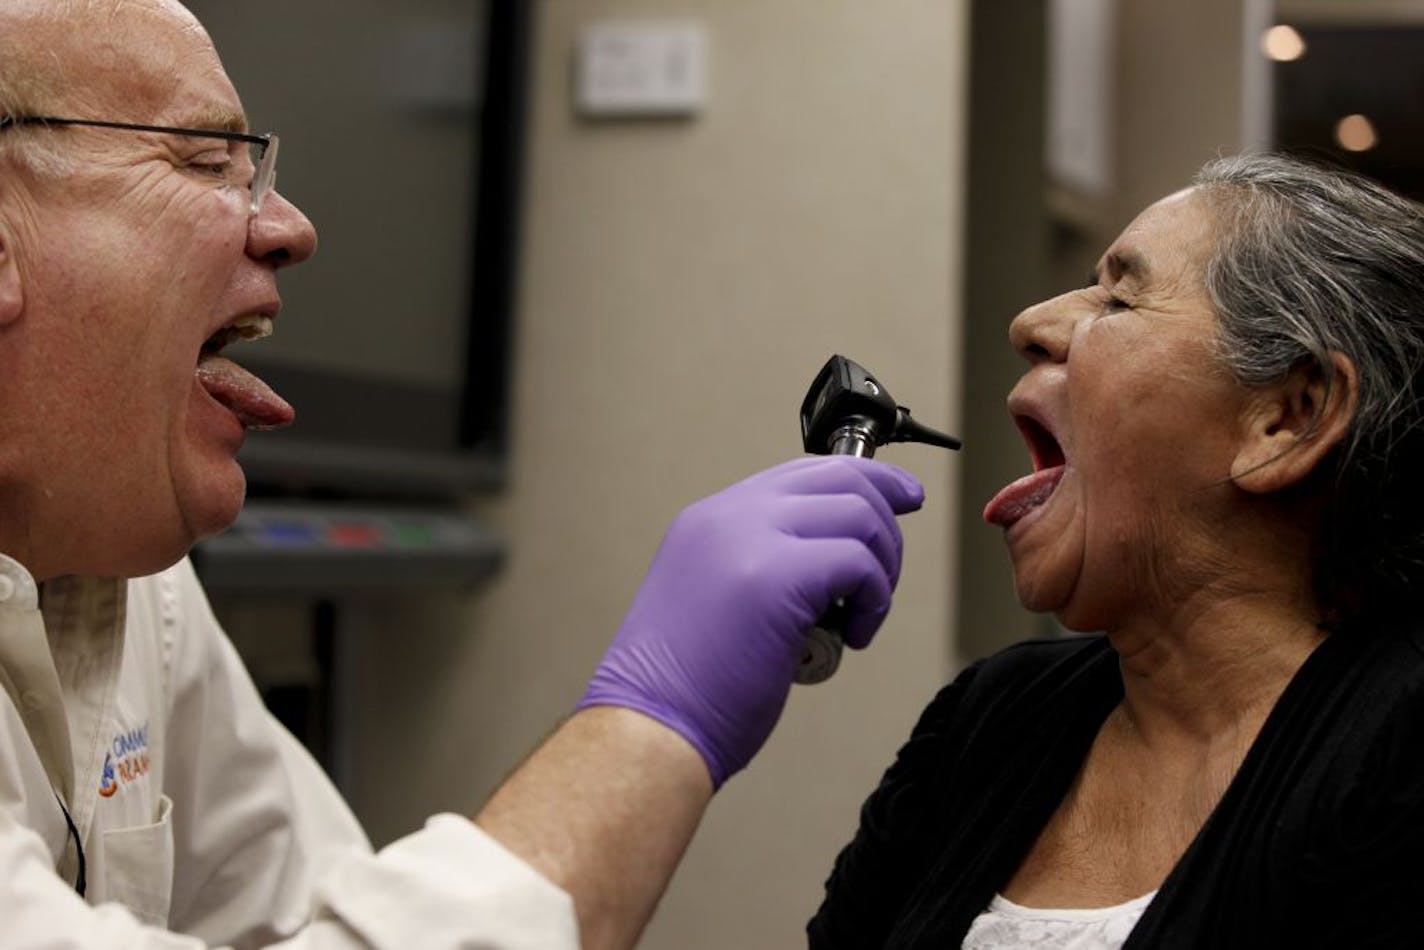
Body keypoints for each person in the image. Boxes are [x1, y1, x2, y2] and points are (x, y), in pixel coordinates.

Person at [0, 2, 925, 948]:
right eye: (203, 162)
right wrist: (655, 716)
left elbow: (302, 910)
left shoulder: (126, 581)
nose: (289, 227)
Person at [808, 152, 1424, 948]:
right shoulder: (989, 719)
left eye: (1121, 297)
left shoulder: (1402, 743)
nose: (1030, 324)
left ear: (1289, 417)